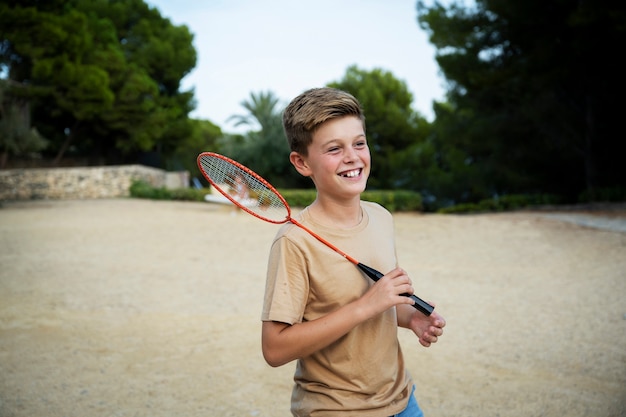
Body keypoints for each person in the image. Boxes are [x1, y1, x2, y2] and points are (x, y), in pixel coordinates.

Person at [261, 87, 446, 416]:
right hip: (335, 410)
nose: (352, 156)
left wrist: (409, 317)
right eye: (334, 148)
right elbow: (274, 348)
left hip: (402, 400)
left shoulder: (381, 217)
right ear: (302, 163)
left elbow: (383, 304)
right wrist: (364, 306)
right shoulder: (294, 241)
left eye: (359, 143)